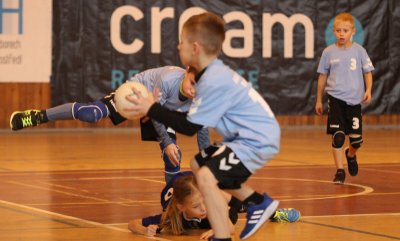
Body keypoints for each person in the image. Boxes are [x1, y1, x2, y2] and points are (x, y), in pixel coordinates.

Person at [125, 12, 281, 240]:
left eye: (181, 42)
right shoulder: (209, 75)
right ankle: (253, 204)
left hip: (255, 139)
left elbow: (189, 127)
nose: (178, 47)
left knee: (207, 177)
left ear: (195, 47)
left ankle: (252, 208)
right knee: (198, 164)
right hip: (247, 138)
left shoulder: (213, 80)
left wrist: (152, 108)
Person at [9, 66, 210, 183]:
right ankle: (39, 116)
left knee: (173, 157)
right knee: (91, 114)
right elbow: (154, 114)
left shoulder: (200, 97)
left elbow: (202, 128)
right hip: (139, 92)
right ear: (187, 72)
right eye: (192, 83)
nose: (193, 90)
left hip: (162, 109)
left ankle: (172, 208)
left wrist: (207, 159)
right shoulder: (168, 80)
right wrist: (166, 142)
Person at [128, 171, 301, 239]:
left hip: (212, 191)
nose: (203, 208)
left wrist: (218, 229)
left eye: (203, 202)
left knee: (245, 204)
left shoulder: (208, 202)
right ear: (181, 207)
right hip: (187, 187)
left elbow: (231, 227)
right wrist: (145, 231)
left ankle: (275, 213)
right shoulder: (171, 215)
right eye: (196, 206)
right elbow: (132, 223)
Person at [315, 12, 374, 184]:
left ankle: (351, 154)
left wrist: (368, 90)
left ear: (353, 32)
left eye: (345, 30)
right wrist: (319, 99)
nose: (342, 33)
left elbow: (368, 73)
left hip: (354, 101)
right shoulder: (328, 52)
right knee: (338, 135)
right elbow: (322, 77)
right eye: (338, 30)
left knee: (357, 141)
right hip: (335, 99)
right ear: (334, 32)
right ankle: (340, 170)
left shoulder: (359, 51)